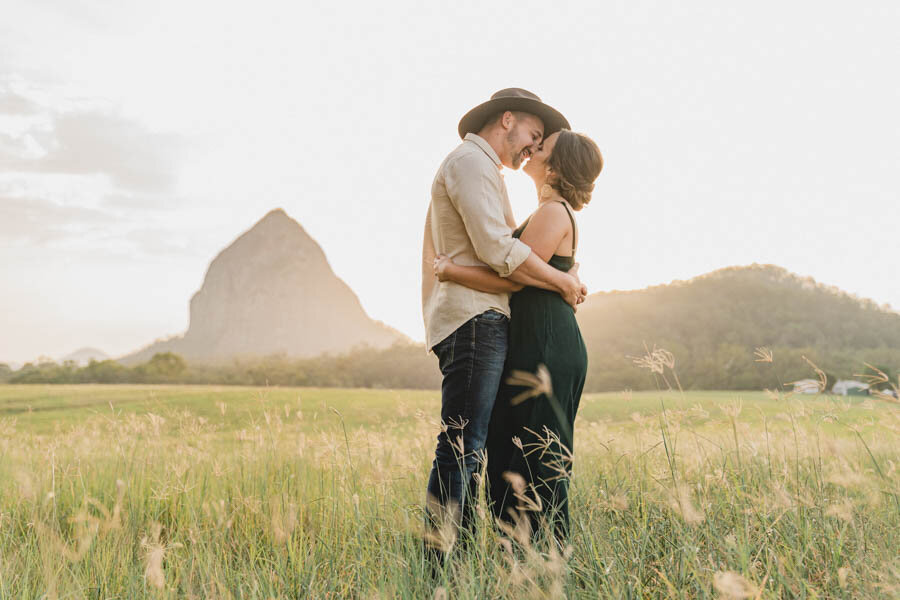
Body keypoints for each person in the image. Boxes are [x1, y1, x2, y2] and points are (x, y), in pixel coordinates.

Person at [421, 88, 586, 560]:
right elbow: (503, 256)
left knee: (471, 445)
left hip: (485, 317)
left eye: (539, 145)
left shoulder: (483, 170)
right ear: (507, 120)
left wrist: (563, 274)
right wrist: (561, 279)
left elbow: (518, 253)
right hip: (475, 316)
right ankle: (444, 561)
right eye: (531, 137)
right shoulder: (471, 165)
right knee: (463, 445)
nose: (530, 150)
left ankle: (461, 556)